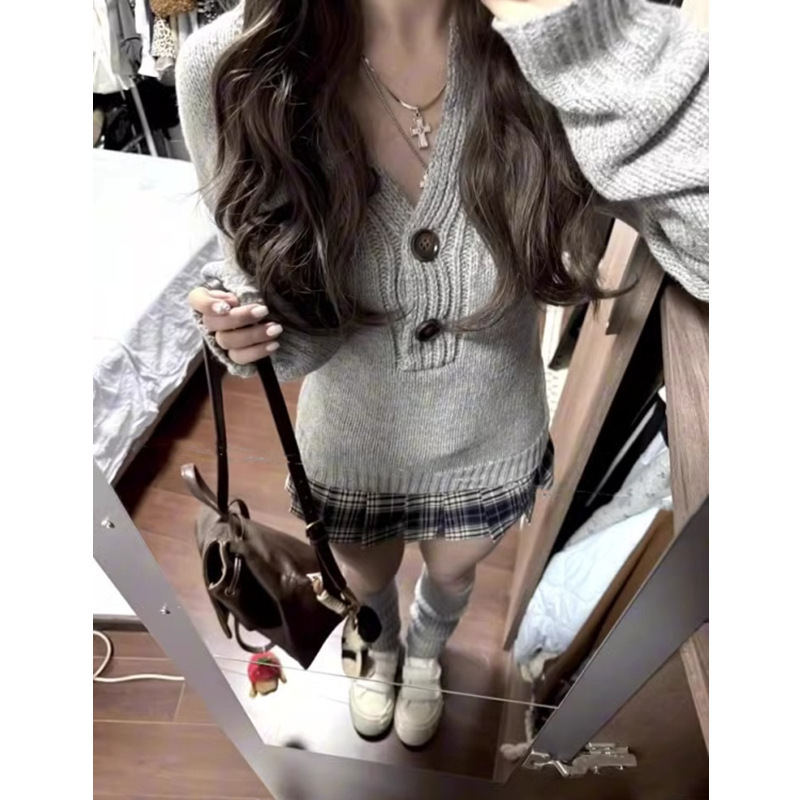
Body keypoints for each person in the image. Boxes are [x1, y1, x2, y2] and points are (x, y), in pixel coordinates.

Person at [176, 0, 708, 747]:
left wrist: (575, 31)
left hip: (491, 437)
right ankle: (382, 648)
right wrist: (244, 330)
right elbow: (287, 334)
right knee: (366, 581)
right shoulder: (232, 63)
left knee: (453, 578)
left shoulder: (548, 46)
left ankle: (425, 653)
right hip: (353, 444)